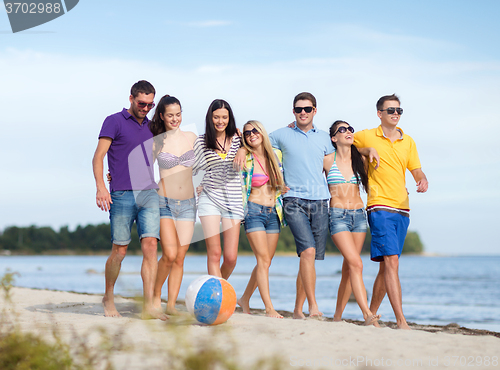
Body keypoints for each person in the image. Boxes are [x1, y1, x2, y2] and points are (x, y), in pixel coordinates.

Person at [92, 80, 166, 320]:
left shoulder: (154, 127)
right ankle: (109, 297)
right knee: (120, 250)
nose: (146, 108)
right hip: (121, 194)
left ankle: (150, 306)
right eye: (142, 103)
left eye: (150, 104)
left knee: (151, 247)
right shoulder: (113, 121)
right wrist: (101, 187)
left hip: (148, 194)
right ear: (131, 98)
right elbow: (98, 157)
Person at [354, 94, 428, 330]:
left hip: (403, 209)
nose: (396, 113)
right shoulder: (366, 135)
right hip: (379, 206)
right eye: (391, 110)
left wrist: (422, 179)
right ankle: (401, 321)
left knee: (387, 266)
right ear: (380, 114)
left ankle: (371, 315)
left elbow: (415, 169)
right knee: (392, 262)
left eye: (399, 110)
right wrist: (366, 150)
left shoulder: (409, 141)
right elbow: (338, 141)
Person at [324, 120, 380, 326]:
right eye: (342, 130)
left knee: (349, 269)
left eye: (350, 129)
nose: (348, 132)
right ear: (333, 138)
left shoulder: (361, 161)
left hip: (358, 217)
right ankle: (367, 313)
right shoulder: (327, 161)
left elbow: (381, 176)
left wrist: (370, 148)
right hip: (338, 216)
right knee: (357, 263)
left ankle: (337, 317)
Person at [148, 95, 197, 315]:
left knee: (180, 256)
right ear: (161, 116)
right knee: (168, 254)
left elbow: (217, 146)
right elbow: (141, 167)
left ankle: (171, 305)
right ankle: (154, 298)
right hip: (164, 201)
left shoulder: (192, 137)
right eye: (170, 115)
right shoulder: (155, 140)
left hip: (188, 203)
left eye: (178, 114)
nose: (175, 119)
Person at [237, 120, 287, 319]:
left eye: (255, 130)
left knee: (266, 262)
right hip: (253, 211)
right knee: (263, 259)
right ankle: (269, 308)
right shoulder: (245, 157)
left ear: (262, 132)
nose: (251, 134)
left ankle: (245, 298)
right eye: (247, 133)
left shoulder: (276, 155)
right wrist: (241, 148)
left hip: (274, 212)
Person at [193, 99, 243, 279]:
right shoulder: (200, 142)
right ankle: (217, 298)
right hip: (209, 198)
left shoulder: (239, 140)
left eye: (224, 117)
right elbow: (191, 169)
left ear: (230, 118)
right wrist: (197, 185)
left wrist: (243, 149)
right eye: (216, 117)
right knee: (214, 253)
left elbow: (261, 142)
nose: (220, 121)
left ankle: (214, 288)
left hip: (234, 200)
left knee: (231, 258)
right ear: (210, 118)